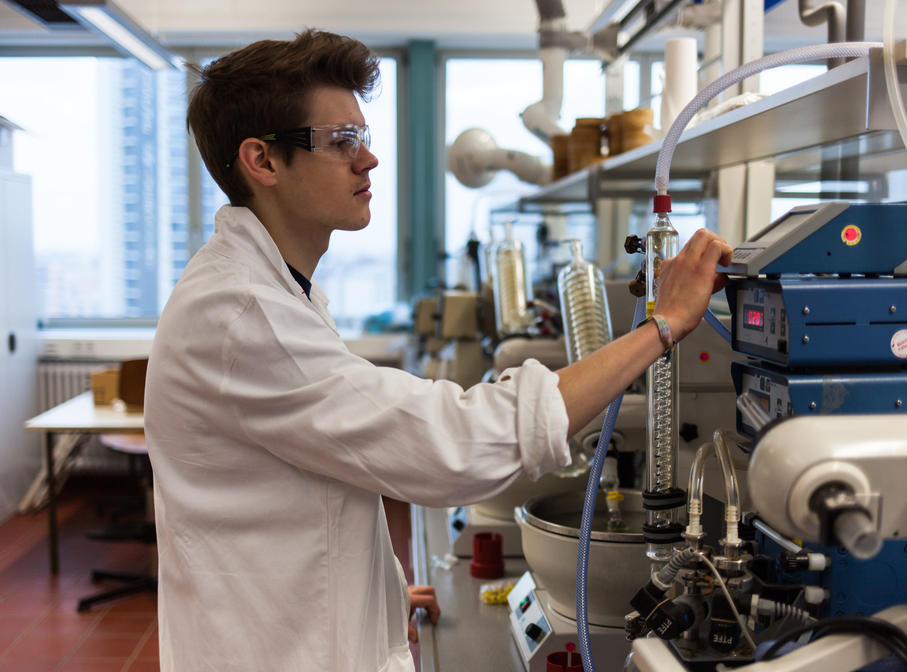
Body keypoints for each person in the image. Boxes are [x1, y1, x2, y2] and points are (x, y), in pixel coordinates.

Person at [145, 28, 733, 672]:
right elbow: (450, 444)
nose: (368, 161)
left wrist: (380, 592)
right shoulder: (242, 311)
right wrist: (663, 325)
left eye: (363, 138)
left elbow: (306, 481)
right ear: (262, 162)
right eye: (341, 142)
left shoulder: (278, 287)